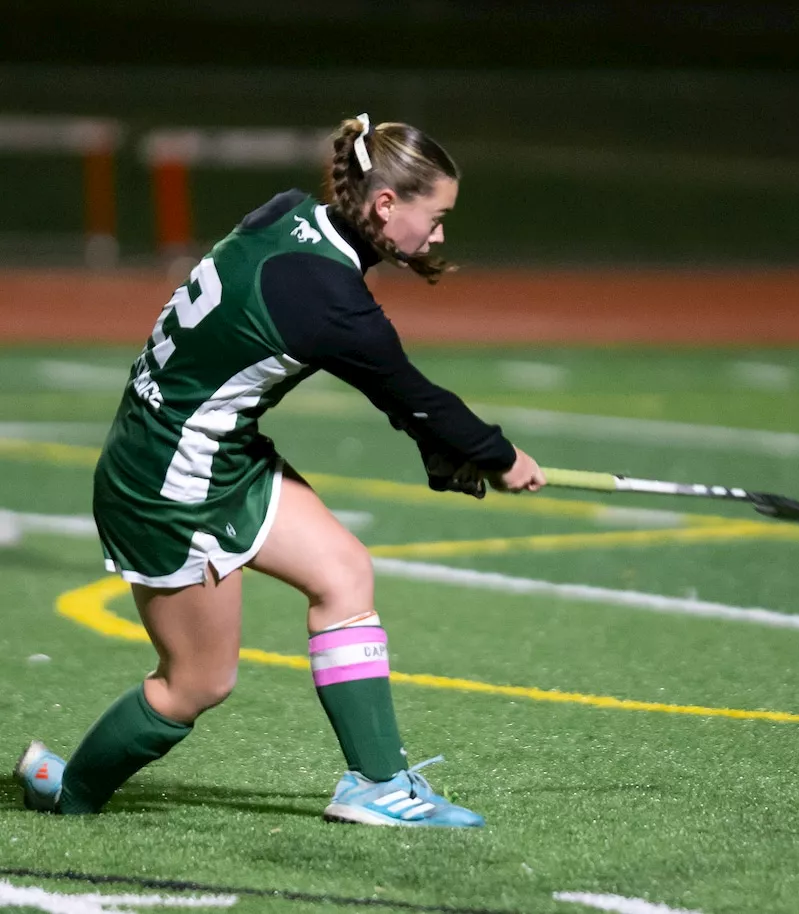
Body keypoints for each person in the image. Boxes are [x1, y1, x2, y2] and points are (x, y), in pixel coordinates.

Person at [12, 114, 544, 828]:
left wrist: (440, 448)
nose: (440, 236)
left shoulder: (288, 213)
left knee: (343, 573)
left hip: (219, 452)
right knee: (196, 682)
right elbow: (412, 397)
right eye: (437, 217)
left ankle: (376, 786)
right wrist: (500, 457)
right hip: (168, 481)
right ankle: (68, 793)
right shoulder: (331, 301)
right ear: (386, 205)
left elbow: (400, 401)